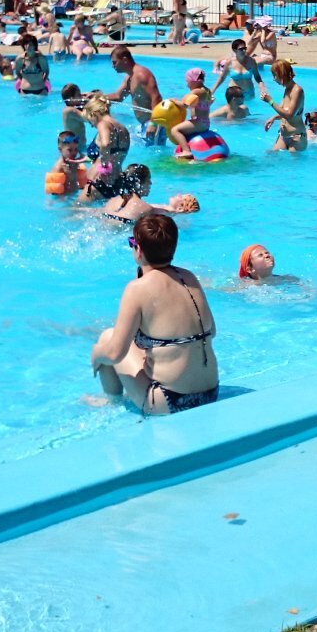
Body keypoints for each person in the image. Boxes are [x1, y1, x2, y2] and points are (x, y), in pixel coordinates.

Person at [90, 213, 218, 415]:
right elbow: (213, 332)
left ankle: (112, 402)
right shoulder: (189, 277)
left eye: (132, 242)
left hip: (170, 401)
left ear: (139, 250)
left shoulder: (137, 289)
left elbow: (115, 353)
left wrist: (96, 354)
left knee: (107, 338)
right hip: (211, 393)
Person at [105, 46, 164, 141]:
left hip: (153, 126)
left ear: (124, 60)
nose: (113, 66)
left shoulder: (141, 75)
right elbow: (118, 96)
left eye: (115, 62)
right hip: (144, 125)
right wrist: (96, 97)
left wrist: (153, 124)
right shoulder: (130, 78)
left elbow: (157, 98)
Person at [258, 58, 307, 152]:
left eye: (275, 75)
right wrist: (274, 118)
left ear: (282, 74)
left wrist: (270, 101)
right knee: (270, 155)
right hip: (283, 136)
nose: (273, 79)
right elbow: (285, 112)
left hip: (296, 137)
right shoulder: (287, 89)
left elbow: (289, 115)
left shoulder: (297, 91)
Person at [83, 94, 131, 176]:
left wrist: (104, 165)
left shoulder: (103, 124)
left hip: (99, 177)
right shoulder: (123, 128)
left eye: (90, 121)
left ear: (94, 113)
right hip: (117, 176)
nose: (92, 125)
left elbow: (106, 144)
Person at [170, 68, 213, 159]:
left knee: (175, 130)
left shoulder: (196, 92)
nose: (187, 85)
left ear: (193, 81)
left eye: (187, 82)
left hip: (199, 123)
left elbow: (185, 105)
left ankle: (186, 151)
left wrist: (175, 101)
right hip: (205, 123)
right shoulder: (207, 90)